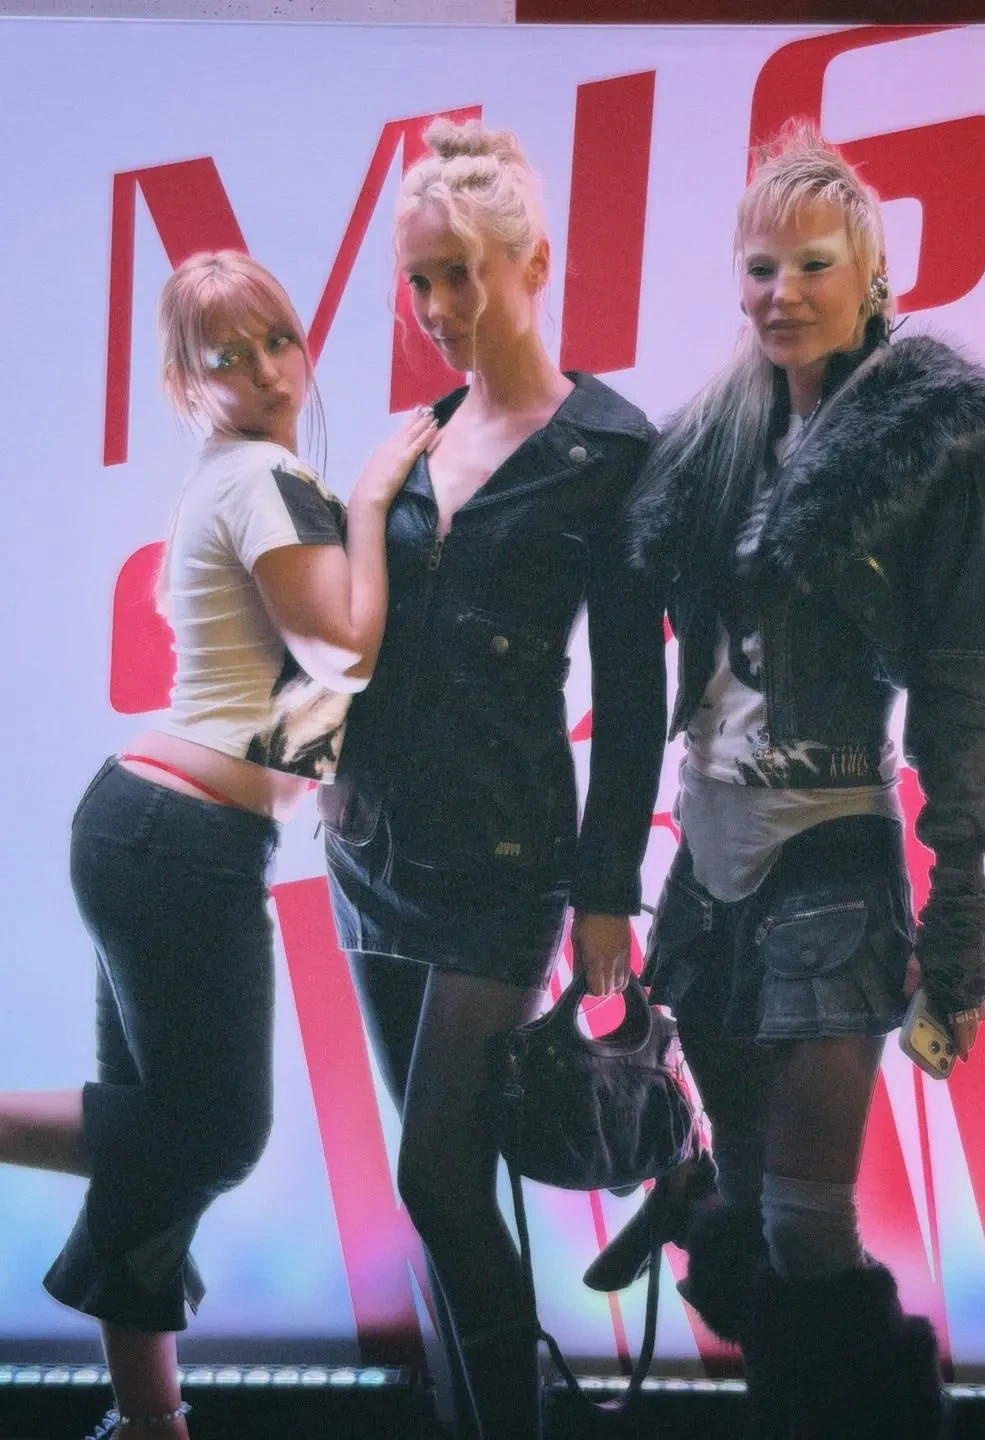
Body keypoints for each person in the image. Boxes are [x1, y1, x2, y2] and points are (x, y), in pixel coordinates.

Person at [582, 124, 985, 1437]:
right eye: (761, 267)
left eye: (814, 265)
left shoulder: (930, 453)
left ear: (873, 276)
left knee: (803, 1219)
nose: (782, 292)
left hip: (834, 847)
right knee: (753, 1204)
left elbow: (964, 695)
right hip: (707, 856)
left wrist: (960, 916)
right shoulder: (707, 449)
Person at [0, 250, 436, 1440]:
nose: (268, 371)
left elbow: (294, 707)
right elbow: (341, 651)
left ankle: (152, 1424)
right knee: (217, 1135)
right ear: (188, 384)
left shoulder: (230, 478)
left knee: (151, 1153)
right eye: (228, 358)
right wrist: (371, 505)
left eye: (279, 340)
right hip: (179, 845)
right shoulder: (266, 479)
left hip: (151, 832)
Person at [318, 119, 666, 1439]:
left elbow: (634, 694)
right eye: (418, 281)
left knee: (441, 1185)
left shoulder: (611, 449)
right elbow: (359, 643)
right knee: (440, 1191)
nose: (437, 308)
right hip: (372, 848)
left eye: (459, 273)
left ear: (535, 262)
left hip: (508, 861)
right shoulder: (413, 442)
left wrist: (607, 890)